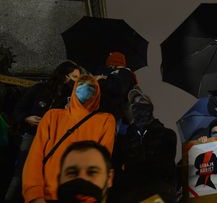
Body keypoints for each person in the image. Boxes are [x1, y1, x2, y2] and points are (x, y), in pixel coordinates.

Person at [22, 74, 116, 203]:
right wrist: (35, 195)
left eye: (92, 86)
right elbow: (35, 158)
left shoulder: (106, 120)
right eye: (81, 84)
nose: (86, 88)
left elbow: (102, 163)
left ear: (97, 92)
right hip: (48, 195)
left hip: (83, 196)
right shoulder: (52, 116)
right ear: (74, 89)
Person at [4, 61, 80, 202]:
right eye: (74, 77)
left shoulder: (71, 99)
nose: (76, 82)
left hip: (51, 142)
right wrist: (27, 118)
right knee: (20, 173)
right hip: (32, 136)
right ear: (64, 76)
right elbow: (19, 108)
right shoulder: (39, 89)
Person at [111, 88, 177, 203]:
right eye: (133, 103)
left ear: (150, 107)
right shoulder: (123, 139)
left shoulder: (167, 134)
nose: (137, 105)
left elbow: (168, 165)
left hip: (160, 193)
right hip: (131, 193)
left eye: (142, 101)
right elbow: (116, 166)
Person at [97, 52, 137, 128]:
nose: (109, 67)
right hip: (117, 113)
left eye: (109, 64)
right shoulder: (125, 74)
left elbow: (115, 88)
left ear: (114, 63)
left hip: (117, 114)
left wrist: (101, 80)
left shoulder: (123, 73)